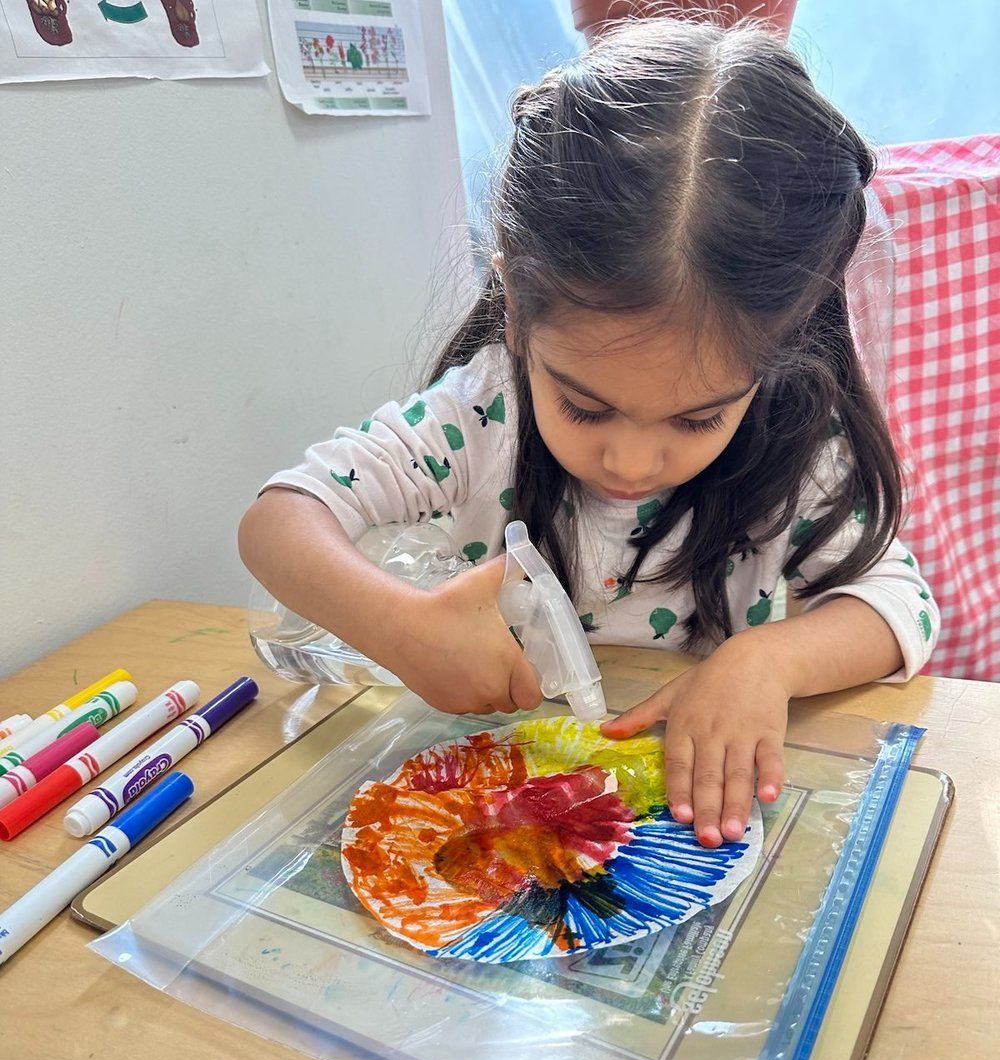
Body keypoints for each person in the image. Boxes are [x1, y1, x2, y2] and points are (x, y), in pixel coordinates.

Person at [239, 18, 939, 849]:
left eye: (697, 418)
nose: (631, 461)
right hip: (494, 809)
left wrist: (767, 662)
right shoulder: (481, 414)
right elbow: (278, 521)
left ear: (776, 354)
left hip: (670, 817)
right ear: (518, 308)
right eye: (586, 406)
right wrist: (398, 624)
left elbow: (902, 606)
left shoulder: (793, 440)